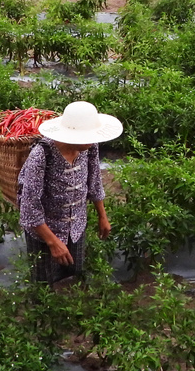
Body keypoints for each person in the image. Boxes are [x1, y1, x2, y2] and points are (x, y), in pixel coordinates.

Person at [18, 101, 122, 285]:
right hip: (45, 230)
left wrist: (102, 216)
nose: (90, 142)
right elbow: (29, 207)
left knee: (74, 276)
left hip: (76, 227)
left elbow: (94, 181)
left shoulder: (90, 147)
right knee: (43, 285)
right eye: (85, 137)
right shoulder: (42, 155)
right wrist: (52, 242)